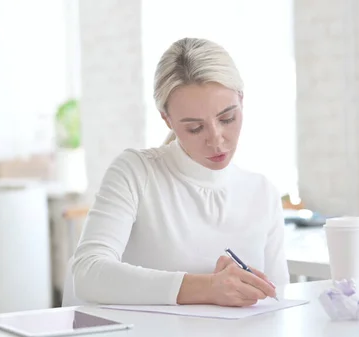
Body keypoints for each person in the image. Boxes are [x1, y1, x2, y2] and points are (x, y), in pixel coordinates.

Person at [70, 37, 290, 307]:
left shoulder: (262, 192)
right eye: (195, 128)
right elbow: (88, 273)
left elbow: (279, 302)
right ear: (167, 119)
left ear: (241, 100)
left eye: (227, 118)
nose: (216, 139)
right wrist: (207, 288)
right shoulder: (137, 173)